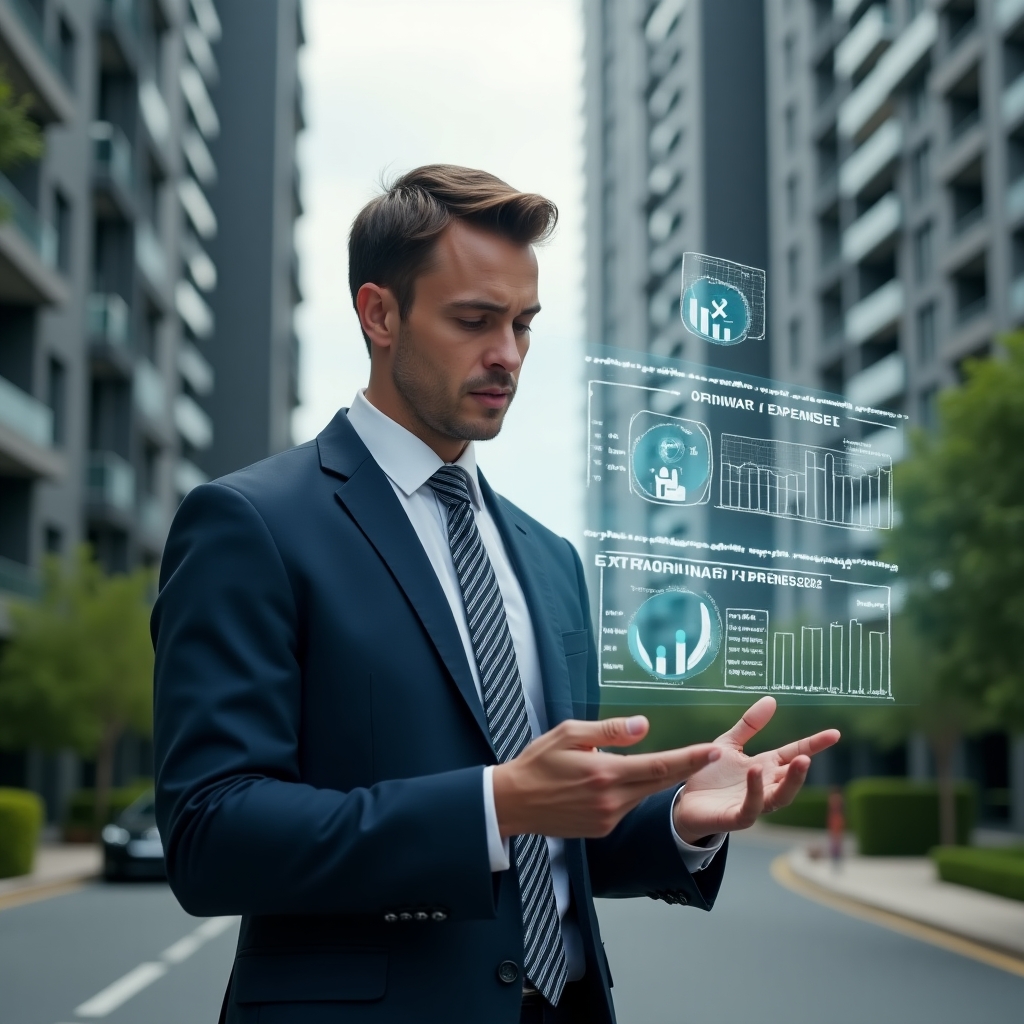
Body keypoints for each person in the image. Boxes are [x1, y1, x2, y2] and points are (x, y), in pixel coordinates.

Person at [152, 165, 840, 1024]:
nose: (507, 354)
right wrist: (490, 804)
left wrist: (677, 821)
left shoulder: (550, 560)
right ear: (379, 315)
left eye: (523, 324)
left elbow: (557, 840)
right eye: (475, 320)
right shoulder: (250, 524)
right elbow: (211, 835)